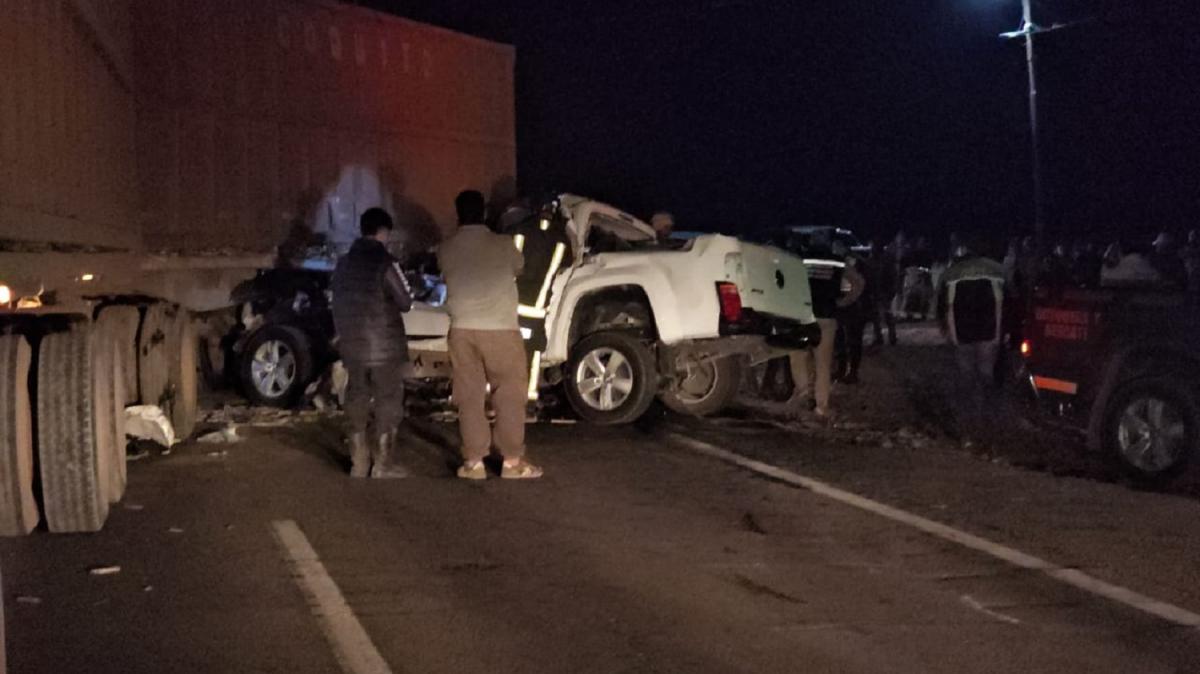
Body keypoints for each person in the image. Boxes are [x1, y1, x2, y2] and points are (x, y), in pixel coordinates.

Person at [438, 190, 542, 480]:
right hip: (500, 329)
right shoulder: (503, 244)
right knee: (509, 393)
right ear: (484, 213)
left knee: (469, 396)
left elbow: (445, 273)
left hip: (461, 330)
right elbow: (519, 268)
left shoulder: (446, 248)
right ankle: (511, 462)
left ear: (458, 214)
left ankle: (474, 463)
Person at [331, 208, 414, 478]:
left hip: (352, 345)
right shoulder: (386, 262)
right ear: (383, 232)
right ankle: (383, 463)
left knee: (356, 397)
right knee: (387, 401)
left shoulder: (343, 263)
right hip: (384, 348)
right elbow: (405, 301)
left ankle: (358, 462)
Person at [937, 240, 1005, 446]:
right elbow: (1008, 300)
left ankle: (968, 423)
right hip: (989, 331)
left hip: (962, 333)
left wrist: (947, 332)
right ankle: (988, 417)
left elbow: (943, 306)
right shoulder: (997, 270)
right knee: (986, 374)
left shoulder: (950, 274)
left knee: (966, 376)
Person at [790, 232, 865, 418]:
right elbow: (859, 282)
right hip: (827, 316)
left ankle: (804, 393)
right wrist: (845, 301)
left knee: (798, 356)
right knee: (823, 364)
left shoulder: (800, 260)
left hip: (802, 315)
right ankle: (821, 406)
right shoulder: (837, 261)